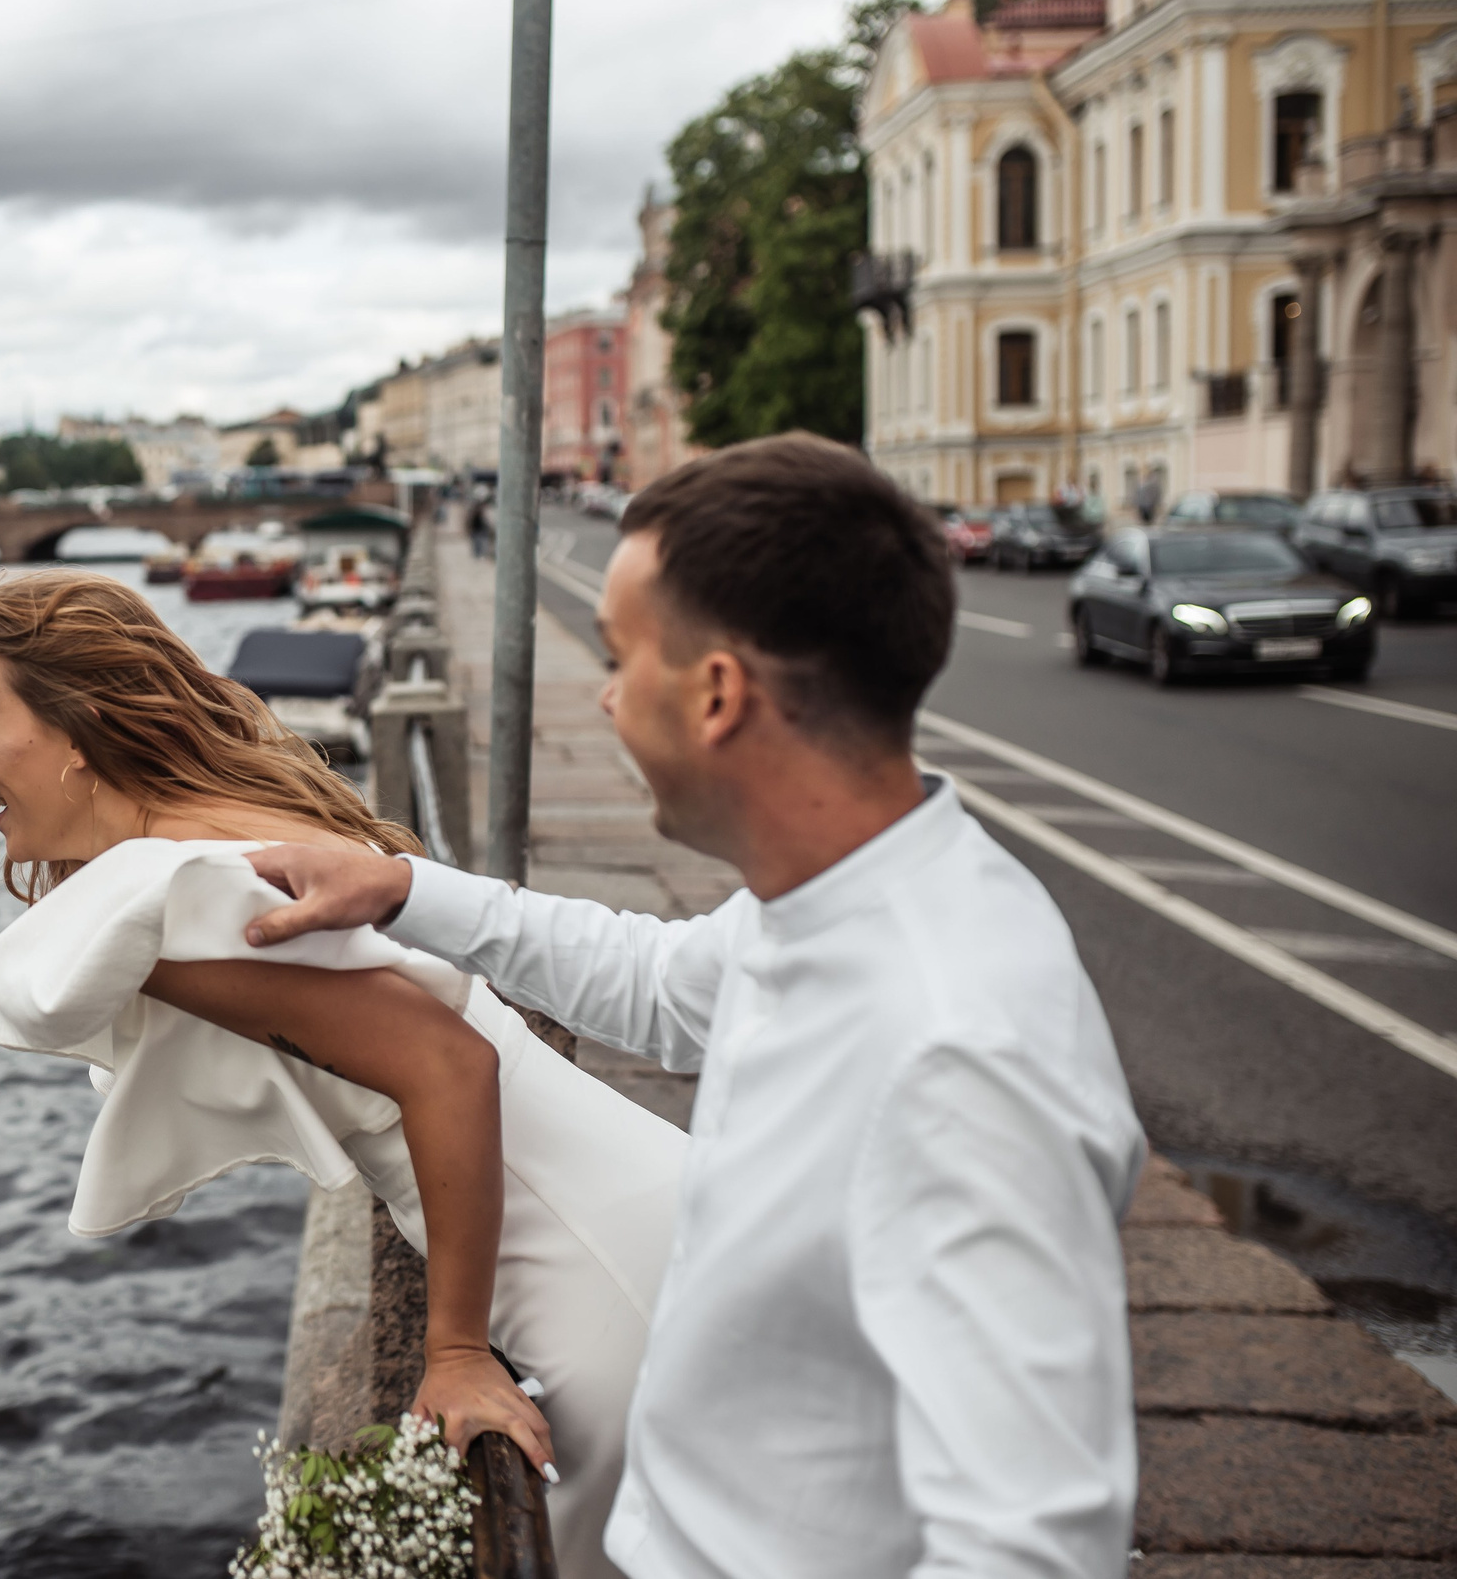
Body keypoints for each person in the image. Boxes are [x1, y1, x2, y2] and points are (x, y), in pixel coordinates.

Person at [243, 436, 1148, 1578]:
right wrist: (405, 885)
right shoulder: (837, 893)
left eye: (622, 658)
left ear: (718, 692)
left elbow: (1036, 1545)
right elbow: (660, 982)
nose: (608, 694)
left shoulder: (956, 1050)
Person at [0, 571, 689, 1578]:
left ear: (77, 731)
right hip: (621, 1203)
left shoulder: (163, 888)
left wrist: (458, 1350)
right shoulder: (217, 819)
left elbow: (447, 1063)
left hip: (582, 1262)